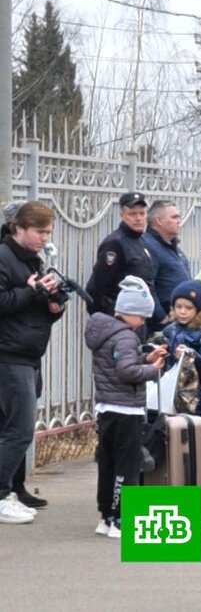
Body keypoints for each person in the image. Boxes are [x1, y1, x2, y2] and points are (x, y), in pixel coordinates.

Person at [0, 202, 66, 523]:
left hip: (28, 353)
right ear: (19, 229)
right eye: (40, 231)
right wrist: (32, 292)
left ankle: (14, 488)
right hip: (9, 355)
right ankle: (1, 496)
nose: (45, 237)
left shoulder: (32, 260)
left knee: (10, 428)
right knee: (20, 430)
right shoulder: (4, 257)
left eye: (48, 232)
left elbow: (32, 306)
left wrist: (54, 305)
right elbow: (3, 302)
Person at [85, 276, 166, 537]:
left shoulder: (107, 334)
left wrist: (145, 357)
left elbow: (119, 362)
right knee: (127, 466)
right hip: (127, 410)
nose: (143, 323)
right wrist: (152, 369)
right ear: (129, 314)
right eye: (141, 317)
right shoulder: (126, 337)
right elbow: (127, 371)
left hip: (107, 408)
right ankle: (121, 520)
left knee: (107, 464)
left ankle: (105, 515)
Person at [85, 191, 156, 317]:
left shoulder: (140, 241)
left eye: (142, 213)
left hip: (138, 315)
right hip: (120, 316)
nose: (138, 218)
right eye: (132, 214)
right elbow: (99, 285)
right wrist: (106, 316)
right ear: (122, 215)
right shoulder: (115, 244)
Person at [161, 281, 201, 416]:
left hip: (197, 396)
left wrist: (190, 355)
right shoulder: (169, 331)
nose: (182, 312)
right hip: (170, 391)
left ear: (198, 310)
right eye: (178, 306)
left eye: (188, 308)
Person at [143, 200, 191, 333]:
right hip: (162, 326)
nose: (179, 221)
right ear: (159, 221)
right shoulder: (150, 247)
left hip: (179, 321)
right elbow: (147, 284)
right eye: (174, 217)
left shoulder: (172, 247)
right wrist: (160, 316)